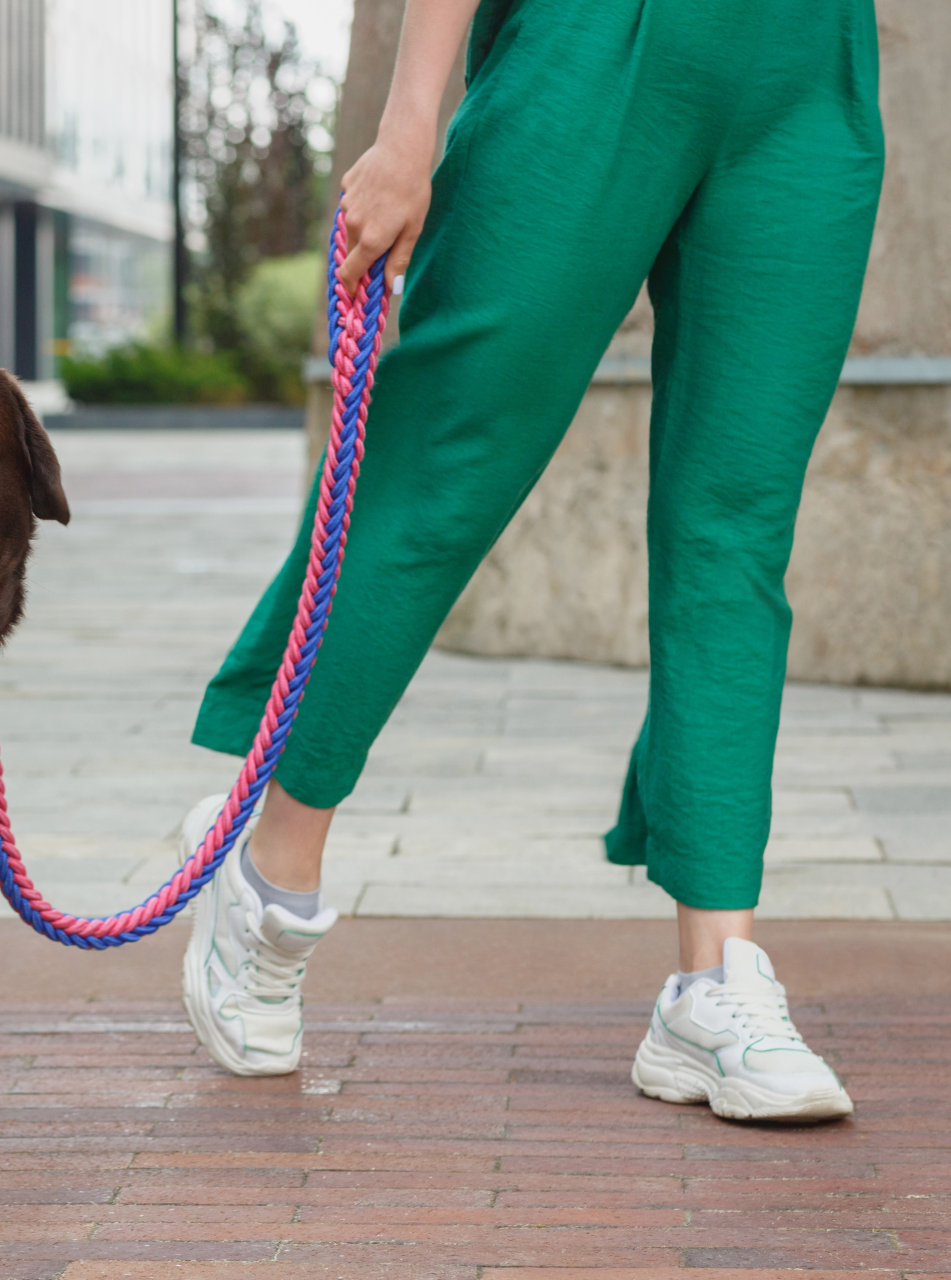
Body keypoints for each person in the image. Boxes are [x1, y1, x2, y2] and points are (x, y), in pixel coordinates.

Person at [179, 0, 882, 1122]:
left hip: (811, 66)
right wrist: (411, 128)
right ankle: (269, 866)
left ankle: (714, 980)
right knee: (443, 471)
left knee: (737, 528)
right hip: (592, 48)